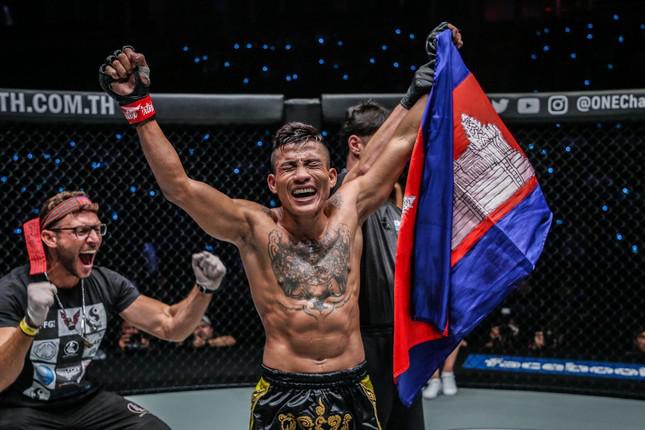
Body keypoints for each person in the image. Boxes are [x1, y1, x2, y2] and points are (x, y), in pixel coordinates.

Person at [99, 22, 462, 429]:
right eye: (290, 167)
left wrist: (433, 75)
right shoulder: (253, 226)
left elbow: (401, 141)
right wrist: (138, 106)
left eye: (311, 165)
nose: (302, 174)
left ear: (332, 177)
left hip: (354, 386)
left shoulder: (351, 208)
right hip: (284, 390)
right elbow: (179, 187)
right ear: (273, 183)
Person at [0, 191, 227, 430]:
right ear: (49, 238)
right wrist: (29, 324)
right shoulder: (13, 290)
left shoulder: (106, 282)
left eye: (97, 229)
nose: (94, 239)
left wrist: (204, 288)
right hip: (23, 407)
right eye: (81, 231)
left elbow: (170, 326)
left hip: (84, 402)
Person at [333, 100, 424, 428]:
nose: (396, 150)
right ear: (356, 145)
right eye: (388, 140)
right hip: (362, 342)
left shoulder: (393, 208)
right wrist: (416, 96)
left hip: (400, 342)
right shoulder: (343, 198)